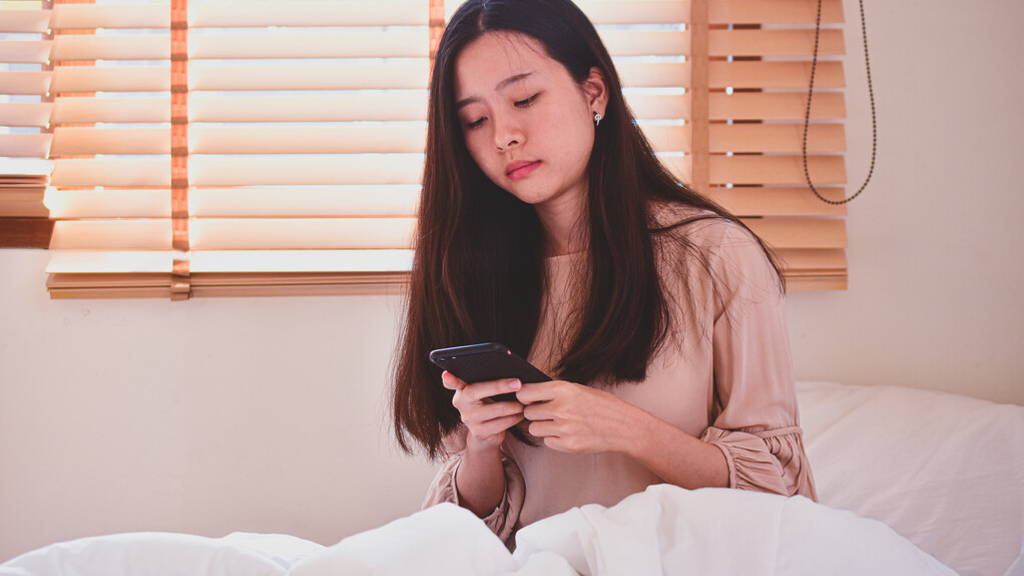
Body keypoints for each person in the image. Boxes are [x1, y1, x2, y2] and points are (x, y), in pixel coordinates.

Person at [389, 0, 818, 551]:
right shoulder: (468, 271)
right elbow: (465, 536)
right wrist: (480, 446)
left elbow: (783, 494)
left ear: (594, 92)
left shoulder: (714, 253)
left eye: (523, 99)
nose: (504, 136)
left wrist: (626, 429)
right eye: (475, 120)